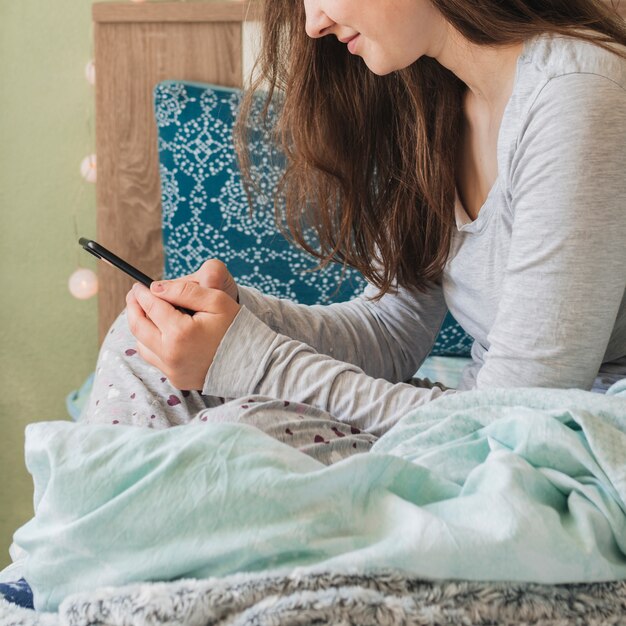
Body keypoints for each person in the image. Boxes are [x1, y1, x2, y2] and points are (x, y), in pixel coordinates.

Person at [84, 0, 626, 463]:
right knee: (136, 347)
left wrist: (252, 359)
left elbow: (512, 419)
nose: (311, 22)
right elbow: (392, 329)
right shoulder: (431, 98)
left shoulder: (574, 98)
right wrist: (237, 323)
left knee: (236, 444)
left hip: (561, 450)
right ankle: (103, 562)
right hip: (476, 427)